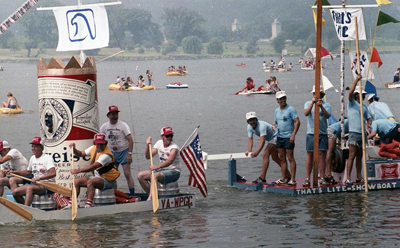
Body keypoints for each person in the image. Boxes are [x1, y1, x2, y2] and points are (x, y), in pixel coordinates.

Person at [69, 133, 120, 208]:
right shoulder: (93, 148)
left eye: (101, 144)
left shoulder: (106, 155)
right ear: (95, 143)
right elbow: (80, 153)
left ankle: (88, 205)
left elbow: (93, 167)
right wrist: (74, 149)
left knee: (91, 182)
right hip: (97, 178)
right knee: (77, 181)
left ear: (105, 143)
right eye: (97, 144)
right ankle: (71, 203)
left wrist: (78, 170)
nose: (99, 146)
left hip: (108, 181)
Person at [245, 112, 291, 184]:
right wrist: (249, 150)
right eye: (250, 120)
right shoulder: (249, 127)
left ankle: (262, 178)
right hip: (271, 139)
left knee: (265, 155)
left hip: (277, 136)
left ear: (256, 119)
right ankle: (288, 176)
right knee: (275, 158)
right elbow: (250, 139)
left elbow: (262, 140)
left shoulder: (261, 126)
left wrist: (257, 152)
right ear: (248, 121)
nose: (252, 121)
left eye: (254, 119)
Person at [9, 137, 56, 206]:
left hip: (47, 185)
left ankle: (26, 208)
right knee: (15, 192)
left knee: (29, 188)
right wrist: (15, 172)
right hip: (36, 184)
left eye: (36, 146)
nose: (33, 148)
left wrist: (39, 178)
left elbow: (53, 173)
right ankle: (24, 209)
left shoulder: (47, 158)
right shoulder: (32, 158)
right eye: (32, 146)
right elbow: (28, 172)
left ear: (41, 148)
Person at [100, 105, 135, 196]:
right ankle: (114, 194)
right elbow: (100, 141)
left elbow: (130, 140)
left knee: (127, 174)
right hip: (112, 153)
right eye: (113, 114)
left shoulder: (123, 125)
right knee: (112, 175)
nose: (115, 116)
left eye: (116, 114)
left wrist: (129, 154)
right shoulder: (104, 127)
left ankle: (132, 194)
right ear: (108, 115)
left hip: (124, 151)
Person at [137, 127, 180, 196]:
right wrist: (148, 146)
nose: (169, 138)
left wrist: (157, 167)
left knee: (155, 175)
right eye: (167, 136)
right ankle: (152, 196)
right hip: (162, 170)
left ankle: (150, 199)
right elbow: (148, 156)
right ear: (162, 136)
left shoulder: (174, 148)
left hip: (174, 172)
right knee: (140, 175)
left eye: (171, 136)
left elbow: (170, 161)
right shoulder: (159, 143)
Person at [345, 74, 372, 184]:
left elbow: (369, 118)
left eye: (364, 96)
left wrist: (369, 125)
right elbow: (350, 93)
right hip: (354, 133)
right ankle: (348, 178)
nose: (363, 97)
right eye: (362, 95)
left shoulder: (364, 107)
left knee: (359, 156)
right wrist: (356, 79)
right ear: (357, 95)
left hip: (362, 134)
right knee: (351, 155)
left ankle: (358, 176)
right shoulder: (352, 104)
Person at [303, 86, 331, 186]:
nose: (316, 96)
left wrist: (321, 107)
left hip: (322, 133)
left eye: (318, 94)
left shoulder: (326, 105)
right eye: (314, 94)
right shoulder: (307, 103)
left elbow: (328, 116)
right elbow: (306, 113)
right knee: (310, 155)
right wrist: (312, 103)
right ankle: (307, 178)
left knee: (321, 156)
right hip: (311, 133)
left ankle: (322, 177)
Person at [274, 91, 300, 185]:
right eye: (280, 99)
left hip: (288, 137)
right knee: (282, 158)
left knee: (290, 158)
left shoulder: (291, 109)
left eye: (283, 98)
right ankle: (283, 178)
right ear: (277, 100)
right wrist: (274, 126)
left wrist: (293, 135)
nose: (282, 100)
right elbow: (277, 122)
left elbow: (297, 122)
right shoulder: (276, 111)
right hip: (279, 137)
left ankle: (292, 179)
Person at [325, 118, 349, 183]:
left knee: (330, 152)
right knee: (330, 152)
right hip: (332, 131)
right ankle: (328, 174)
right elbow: (343, 134)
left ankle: (328, 173)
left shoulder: (345, 123)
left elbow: (340, 135)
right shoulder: (348, 123)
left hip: (330, 130)